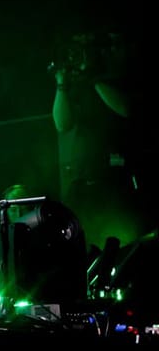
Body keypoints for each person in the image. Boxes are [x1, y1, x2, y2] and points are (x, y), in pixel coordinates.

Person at [50, 31, 151, 251]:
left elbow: (126, 108)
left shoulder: (125, 78)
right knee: (81, 246)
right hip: (85, 184)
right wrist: (62, 85)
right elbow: (62, 123)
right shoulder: (80, 84)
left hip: (117, 183)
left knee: (124, 244)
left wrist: (95, 79)